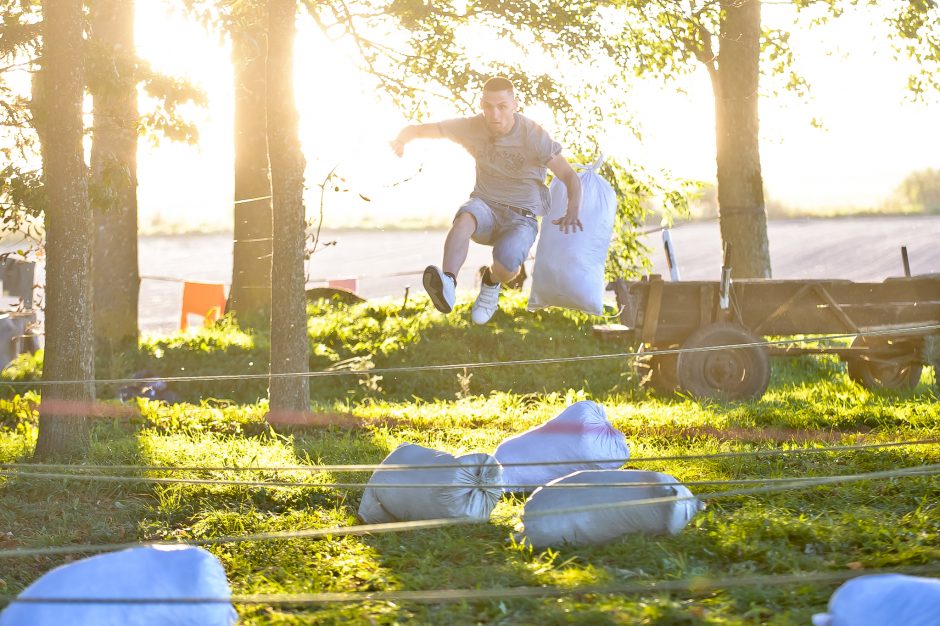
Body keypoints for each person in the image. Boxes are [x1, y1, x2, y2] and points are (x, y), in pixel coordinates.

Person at [391, 76, 583, 325]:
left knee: (507, 264)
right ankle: (448, 283)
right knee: (465, 218)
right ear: (481, 104)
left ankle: (491, 282)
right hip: (485, 206)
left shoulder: (533, 135)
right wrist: (401, 139)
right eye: (488, 106)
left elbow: (569, 176)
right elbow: (425, 129)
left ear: (515, 105)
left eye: (502, 106)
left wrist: (573, 210)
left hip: (521, 217)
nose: (495, 114)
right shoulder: (471, 127)